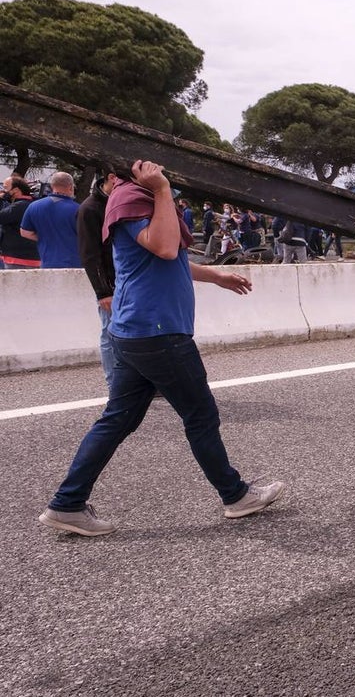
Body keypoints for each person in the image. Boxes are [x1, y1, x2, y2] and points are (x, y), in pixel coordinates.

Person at [37, 160, 284, 537]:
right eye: (148, 166)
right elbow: (167, 248)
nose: (158, 170)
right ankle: (236, 496)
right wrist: (162, 188)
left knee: (118, 418)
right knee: (200, 416)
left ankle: (67, 503)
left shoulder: (134, 201)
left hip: (136, 330)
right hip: (157, 332)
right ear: (124, 173)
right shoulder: (131, 200)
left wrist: (215, 275)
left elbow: (166, 256)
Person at [76, 166, 118, 386]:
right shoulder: (90, 208)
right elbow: (90, 255)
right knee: (110, 335)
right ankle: (115, 384)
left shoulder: (121, 203)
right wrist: (103, 291)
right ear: (111, 178)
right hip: (110, 284)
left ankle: (137, 383)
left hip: (131, 280)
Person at [19, 171, 81, 268]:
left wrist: (46, 238)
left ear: (52, 186)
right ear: (70, 187)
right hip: (74, 264)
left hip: (47, 263)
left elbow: (25, 232)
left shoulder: (34, 206)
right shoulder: (78, 210)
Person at [0, 176, 41, 269]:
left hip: (17, 258)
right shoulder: (33, 204)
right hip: (32, 256)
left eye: (5, 188)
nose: (3, 191)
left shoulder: (18, 206)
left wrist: (1, 199)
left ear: (16, 190)